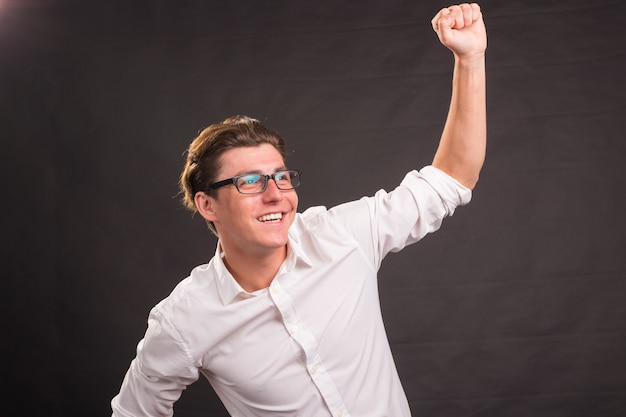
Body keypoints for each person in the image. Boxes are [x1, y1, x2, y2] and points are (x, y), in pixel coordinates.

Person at [111, 3, 487, 416]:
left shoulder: (341, 236)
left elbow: (451, 178)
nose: (275, 194)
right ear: (207, 204)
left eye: (281, 177)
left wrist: (469, 58)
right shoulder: (185, 319)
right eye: (249, 182)